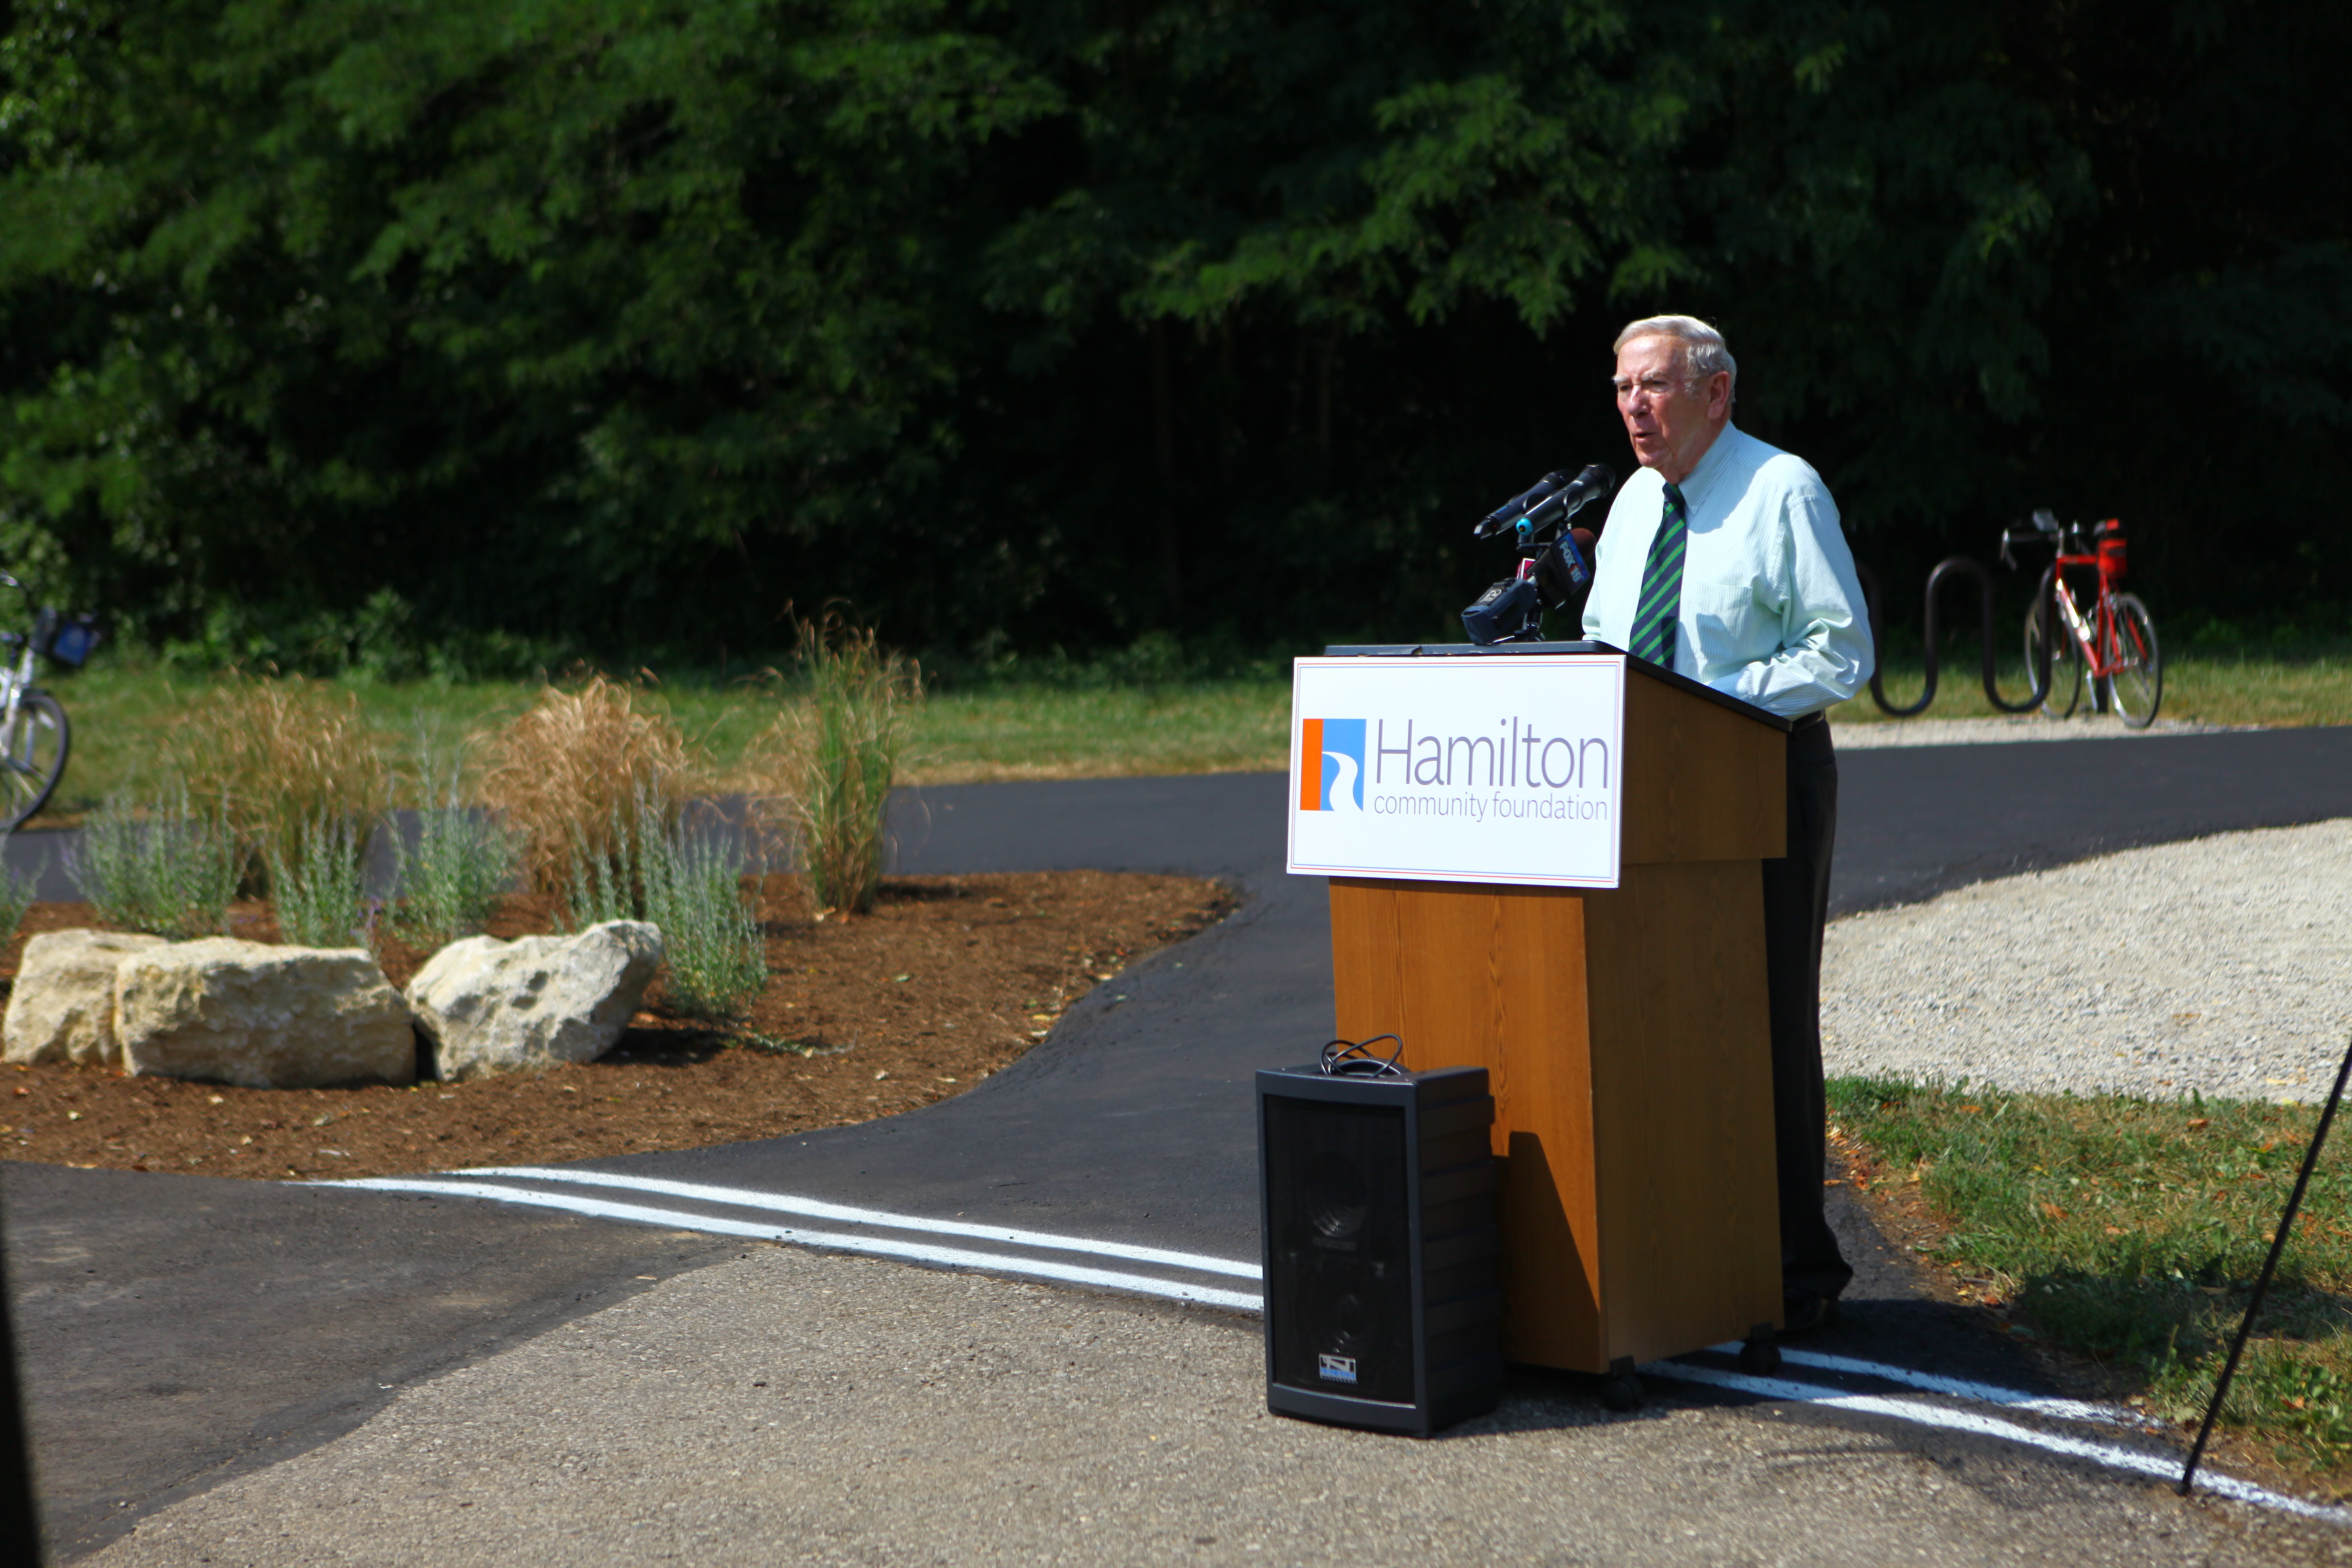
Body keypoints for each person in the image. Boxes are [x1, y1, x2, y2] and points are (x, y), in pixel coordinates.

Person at [1580, 313, 1874, 1332]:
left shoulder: (1780, 490)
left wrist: (1713, 699)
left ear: (1717, 392)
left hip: (1759, 778)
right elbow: (1601, 638)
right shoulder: (1630, 506)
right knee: (1661, 1015)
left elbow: (1841, 653)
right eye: (1621, 388)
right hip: (1647, 787)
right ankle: (1689, 1248)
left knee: (1764, 1018)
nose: (1633, 407)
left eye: (1652, 386)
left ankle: (1797, 1269)